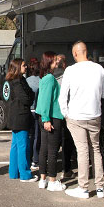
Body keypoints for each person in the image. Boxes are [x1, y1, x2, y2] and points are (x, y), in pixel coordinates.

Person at [59, 41, 104, 199]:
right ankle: (100, 187)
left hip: (76, 117)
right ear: (86, 52)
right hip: (94, 115)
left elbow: (63, 96)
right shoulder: (99, 69)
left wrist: (66, 114)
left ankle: (83, 188)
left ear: (75, 54)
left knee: (82, 151)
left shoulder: (70, 70)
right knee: (95, 149)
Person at [36, 52, 67, 192]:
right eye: (54, 61)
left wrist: (44, 118)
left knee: (44, 149)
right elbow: (46, 100)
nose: (56, 63)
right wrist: (46, 119)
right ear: (49, 63)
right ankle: (52, 180)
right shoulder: (50, 78)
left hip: (45, 117)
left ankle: (43, 179)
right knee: (52, 151)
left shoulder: (44, 78)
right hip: (51, 117)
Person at [5, 58, 36, 182]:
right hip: (21, 116)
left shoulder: (10, 81)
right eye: (23, 65)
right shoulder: (18, 82)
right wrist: (30, 97)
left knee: (16, 145)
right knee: (23, 145)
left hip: (14, 115)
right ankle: (25, 174)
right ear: (17, 67)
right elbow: (27, 98)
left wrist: (29, 96)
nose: (26, 67)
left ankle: (13, 172)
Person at [25, 58, 40, 172]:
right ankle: (35, 159)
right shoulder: (42, 81)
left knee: (29, 136)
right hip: (37, 111)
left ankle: (28, 159)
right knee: (36, 137)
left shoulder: (26, 81)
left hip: (28, 111)